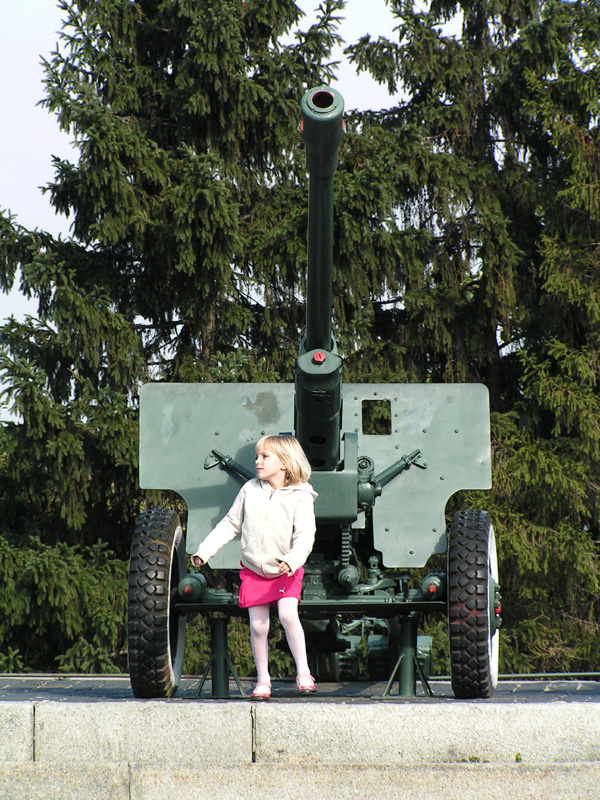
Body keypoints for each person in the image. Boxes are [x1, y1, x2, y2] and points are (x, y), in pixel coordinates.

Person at [191, 434, 318, 700]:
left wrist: (292, 560)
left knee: (287, 615)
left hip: (285, 570)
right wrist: (204, 551)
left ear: (284, 463)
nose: (258, 462)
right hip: (254, 571)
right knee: (259, 626)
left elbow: (305, 536)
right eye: (257, 457)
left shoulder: (301, 496)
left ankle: (304, 672)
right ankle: (263, 680)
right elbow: (229, 524)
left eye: (265, 457)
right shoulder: (249, 489)